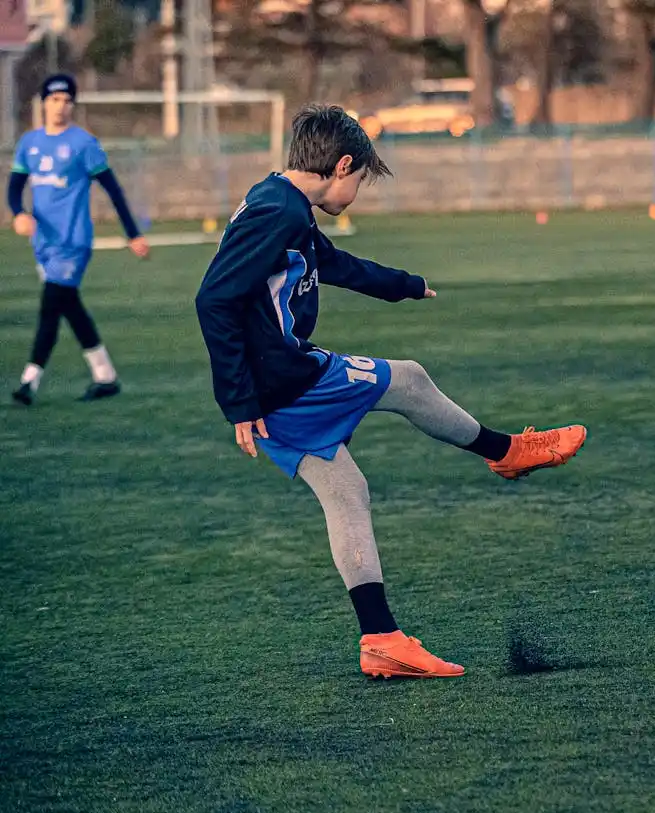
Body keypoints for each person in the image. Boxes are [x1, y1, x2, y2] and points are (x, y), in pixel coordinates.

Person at [194, 104, 586, 679]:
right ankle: (506, 452)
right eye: (358, 180)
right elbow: (213, 299)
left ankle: (381, 640)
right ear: (342, 165)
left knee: (346, 492)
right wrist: (240, 403)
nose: (355, 193)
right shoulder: (278, 212)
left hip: (276, 384)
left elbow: (331, 263)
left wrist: (403, 285)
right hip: (286, 380)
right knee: (407, 378)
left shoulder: (280, 199)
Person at [8, 73, 150, 406]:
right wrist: (18, 213)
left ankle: (29, 380)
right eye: (55, 99)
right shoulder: (29, 143)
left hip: (73, 243)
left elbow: (113, 190)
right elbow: (14, 188)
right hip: (43, 245)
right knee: (68, 306)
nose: (61, 106)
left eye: (67, 100)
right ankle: (105, 376)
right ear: (44, 103)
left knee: (51, 306)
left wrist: (133, 233)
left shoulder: (83, 144)